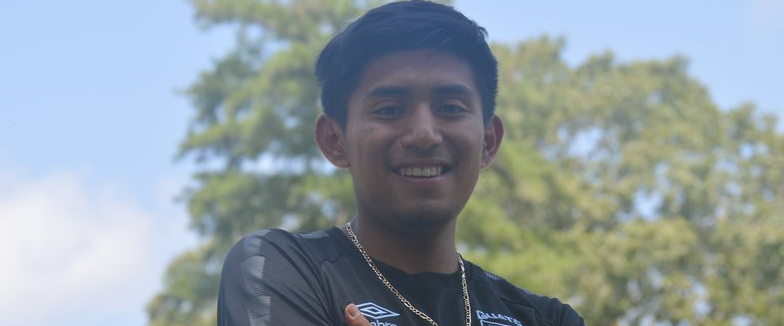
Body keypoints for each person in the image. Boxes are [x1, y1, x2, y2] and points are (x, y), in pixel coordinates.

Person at [217, 1, 585, 325]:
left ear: (488, 141)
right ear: (334, 140)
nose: (424, 134)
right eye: (390, 109)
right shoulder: (280, 270)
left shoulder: (546, 318)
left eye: (450, 108)